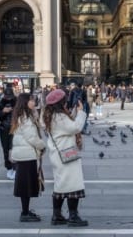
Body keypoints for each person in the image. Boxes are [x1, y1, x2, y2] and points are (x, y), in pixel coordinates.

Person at [43, 88, 88, 227]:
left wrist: (74, 112)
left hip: (59, 154)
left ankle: (57, 215)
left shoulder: (51, 115)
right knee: (72, 184)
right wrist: (81, 112)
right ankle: (73, 216)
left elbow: (68, 127)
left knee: (61, 184)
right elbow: (76, 127)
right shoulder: (59, 117)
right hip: (66, 153)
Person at [10, 92, 46, 222]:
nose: (34, 102)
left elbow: (41, 125)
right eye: (31, 100)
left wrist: (37, 113)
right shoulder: (25, 118)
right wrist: (42, 146)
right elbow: (31, 137)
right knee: (26, 186)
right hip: (27, 155)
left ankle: (26, 211)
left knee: (26, 185)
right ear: (25, 102)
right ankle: (24, 213)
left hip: (24, 154)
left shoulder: (26, 115)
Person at [0, 85, 17, 180]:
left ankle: (15, 168)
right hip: (4, 128)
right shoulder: (1, 103)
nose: (8, 99)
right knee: (5, 149)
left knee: (13, 148)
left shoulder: (17, 102)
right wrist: (3, 111)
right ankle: (9, 168)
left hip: (14, 127)